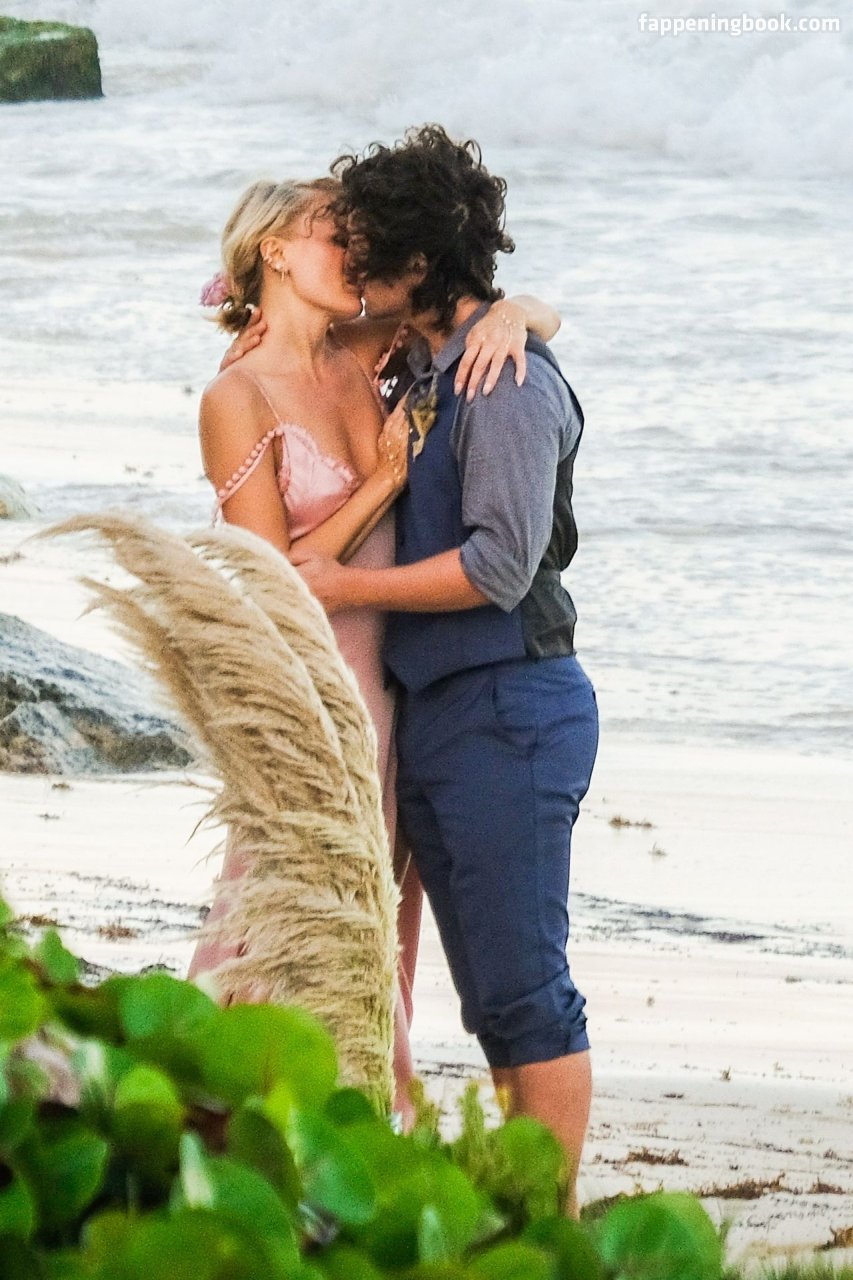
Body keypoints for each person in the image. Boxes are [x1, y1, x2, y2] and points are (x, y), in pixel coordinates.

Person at [188, 174, 563, 1126]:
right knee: (283, 905)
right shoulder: (235, 393)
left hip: (394, 699)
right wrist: (383, 482)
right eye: (333, 235)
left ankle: (353, 1125)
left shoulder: (369, 354)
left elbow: (485, 305)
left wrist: (513, 313)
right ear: (274, 251)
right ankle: (227, 1123)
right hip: (309, 692)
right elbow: (277, 574)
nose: (355, 255)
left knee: (369, 930)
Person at [296, 126, 598, 1213]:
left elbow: (499, 567)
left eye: (367, 249)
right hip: (445, 711)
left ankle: (550, 1225)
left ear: (418, 263)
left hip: (511, 706)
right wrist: (527, 305)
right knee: (490, 1001)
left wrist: (347, 586)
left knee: (524, 994)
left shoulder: (501, 380)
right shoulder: (431, 356)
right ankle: (523, 1216)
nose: (353, 267)